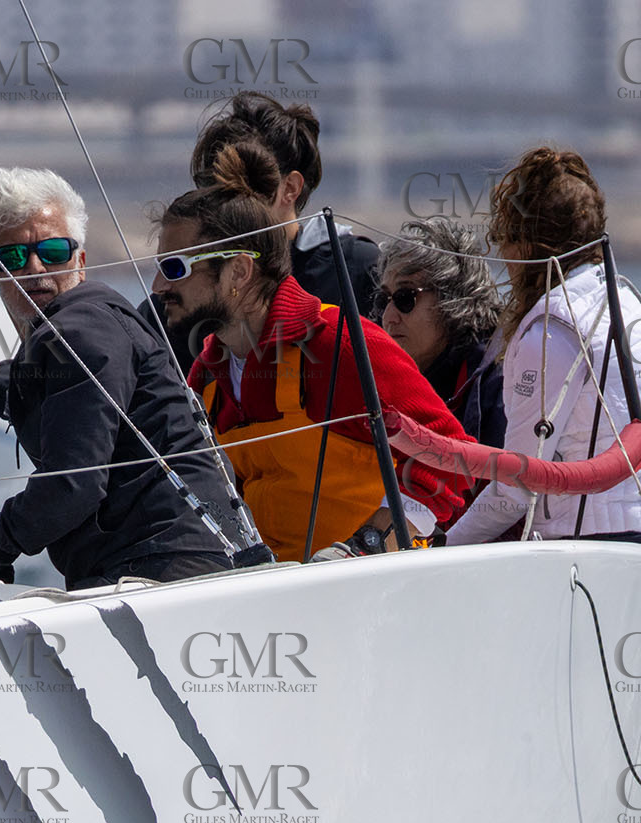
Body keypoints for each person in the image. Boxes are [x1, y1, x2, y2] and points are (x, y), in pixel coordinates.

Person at [0, 167, 242, 589]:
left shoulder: (82, 327)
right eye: (13, 258)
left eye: (54, 250)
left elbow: (72, 484)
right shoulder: (83, 328)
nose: (36, 268)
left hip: (164, 565)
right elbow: (52, 377)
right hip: (172, 556)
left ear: (80, 261)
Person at [153, 142, 474, 563]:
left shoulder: (338, 344)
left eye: (175, 268)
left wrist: (368, 543)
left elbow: (454, 459)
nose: (159, 287)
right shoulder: (206, 375)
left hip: (376, 592)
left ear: (239, 271)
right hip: (269, 596)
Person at [446, 147, 641, 545]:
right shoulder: (627, 302)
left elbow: (518, 484)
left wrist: (444, 546)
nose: (505, 255)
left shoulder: (551, 332)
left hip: (585, 545)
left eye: (507, 238)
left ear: (529, 245)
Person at [140, 91, 380, 374]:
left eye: (241, 189)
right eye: (210, 188)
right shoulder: (173, 296)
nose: (223, 205)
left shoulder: (356, 270)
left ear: (290, 187)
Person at [374, 219, 505, 449]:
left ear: (452, 298)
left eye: (405, 298)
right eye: (383, 300)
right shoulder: (377, 378)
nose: (388, 316)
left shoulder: (500, 380)